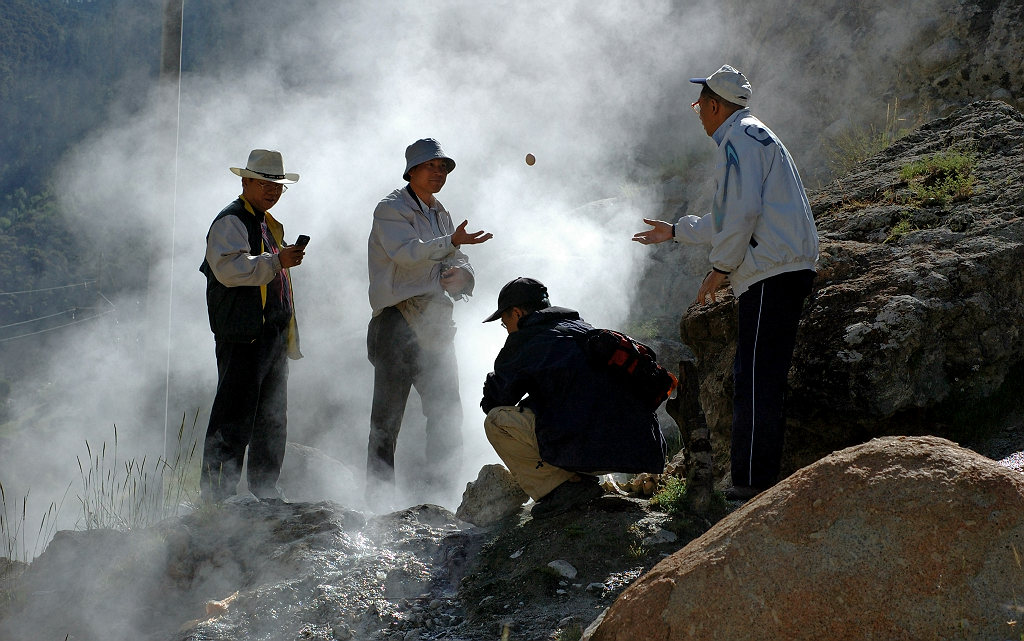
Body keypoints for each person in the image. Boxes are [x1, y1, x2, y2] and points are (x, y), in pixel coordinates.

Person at [632, 64, 819, 501]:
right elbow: (727, 217)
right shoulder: (755, 135)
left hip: (773, 271)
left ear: (716, 105)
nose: (697, 112)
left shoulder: (739, 139)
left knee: (753, 379)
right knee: (761, 375)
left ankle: (750, 487)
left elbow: (740, 215)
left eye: (700, 105)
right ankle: (758, 480)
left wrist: (720, 268)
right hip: (784, 264)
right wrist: (676, 230)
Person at [366, 138, 492, 506]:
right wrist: (450, 243)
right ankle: (378, 502)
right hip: (396, 321)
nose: (440, 174)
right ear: (411, 171)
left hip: (435, 321)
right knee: (386, 420)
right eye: (432, 167)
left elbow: (458, 258)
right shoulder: (390, 209)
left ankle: (442, 498)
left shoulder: (441, 212)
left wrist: (463, 278)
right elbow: (406, 255)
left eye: (444, 168)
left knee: (446, 413)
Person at [480, 277, 667, 519]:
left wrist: (502, 372)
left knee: (497, 421)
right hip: (642, 450)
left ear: (516, 313)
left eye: (505, 323)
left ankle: (562, 489)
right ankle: (578, 478)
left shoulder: (525, 340)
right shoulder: (582, 328)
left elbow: (495, 402)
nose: (506, 329)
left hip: (592, 451)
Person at [199, 149, 306, 502]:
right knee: (234, 413)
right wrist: (277, 260)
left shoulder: (267, 223)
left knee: (272, 417)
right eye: (264, 183)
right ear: (245, 182)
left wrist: (277, 260)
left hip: (271, 333)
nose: (272, 190)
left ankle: (264, 487)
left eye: (277, 185)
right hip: (244, 333)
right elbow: (229, 270)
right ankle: (217, 495)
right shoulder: (231, 221)